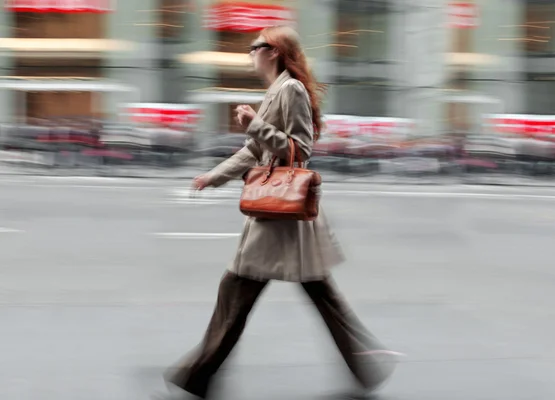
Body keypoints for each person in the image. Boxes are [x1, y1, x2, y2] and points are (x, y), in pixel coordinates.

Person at [163, 25, 399, 399]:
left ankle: (198, 377)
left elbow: (300, 150)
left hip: (280, 213)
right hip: (285, 214)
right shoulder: (277, 90)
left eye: (254, 46)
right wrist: (213, 176)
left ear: (272, 51)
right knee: (316, 292)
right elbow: (254, 152)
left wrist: (254, 123)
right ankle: (365, 364)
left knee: (237, 288)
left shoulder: (290, 89)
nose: (250, 53)